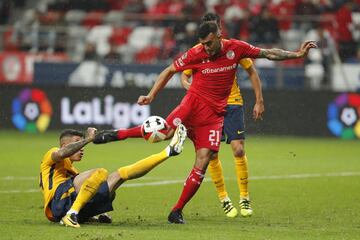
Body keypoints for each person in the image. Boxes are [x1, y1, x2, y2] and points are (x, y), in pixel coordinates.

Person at [95, 22, 316, 224]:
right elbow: (170, 70)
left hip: (213, 117)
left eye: (209, 43)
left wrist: (297, 54)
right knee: (164, 132)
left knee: (203, 160)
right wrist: (152, 95)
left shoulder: (236, 48)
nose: (207, 48)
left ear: (219, 36)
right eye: (203, 43)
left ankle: (176, 211)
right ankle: (117, 134)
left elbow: (268, 53)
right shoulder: (196, 53)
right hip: (192, 105)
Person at [180, 12, 264, 218]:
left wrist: (259, 100)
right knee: (212, 154)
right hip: (208, 107)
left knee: (237, 149)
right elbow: (184, 75)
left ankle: (244, 197)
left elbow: (252, 71)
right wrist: (191, 89)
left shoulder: (233, 48)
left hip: (232, 103)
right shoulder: (198, 51)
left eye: (218, 27)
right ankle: (224, 198)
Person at [39, 125, 187, 228]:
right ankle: (72, 215)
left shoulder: (72, 170)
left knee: (118, 176)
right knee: (101, 172)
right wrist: (88, 139)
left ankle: (168, 152)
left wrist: (93, 216)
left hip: (62, 207)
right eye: (77, 143)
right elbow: (61, 153)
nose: (82, 148)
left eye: (82, 144)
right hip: (56, 203)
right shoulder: (52, 154)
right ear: (64, 145)